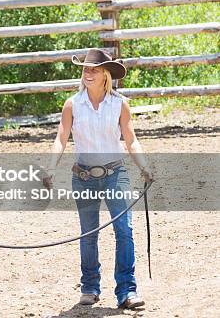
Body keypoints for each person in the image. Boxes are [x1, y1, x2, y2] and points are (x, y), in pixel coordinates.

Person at [43, 48, 153, 309]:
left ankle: (127, 290)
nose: (88, 73)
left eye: (93, 69)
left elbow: (131, 139)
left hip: (116, 174)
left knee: (124, 231)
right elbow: (61, 138)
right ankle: (90, 287)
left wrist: (144, 166)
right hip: (83, 177)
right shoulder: (72, 105)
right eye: (85, 69)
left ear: (106, 75)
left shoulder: (119, 104)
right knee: (88, 234)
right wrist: (50, 168)